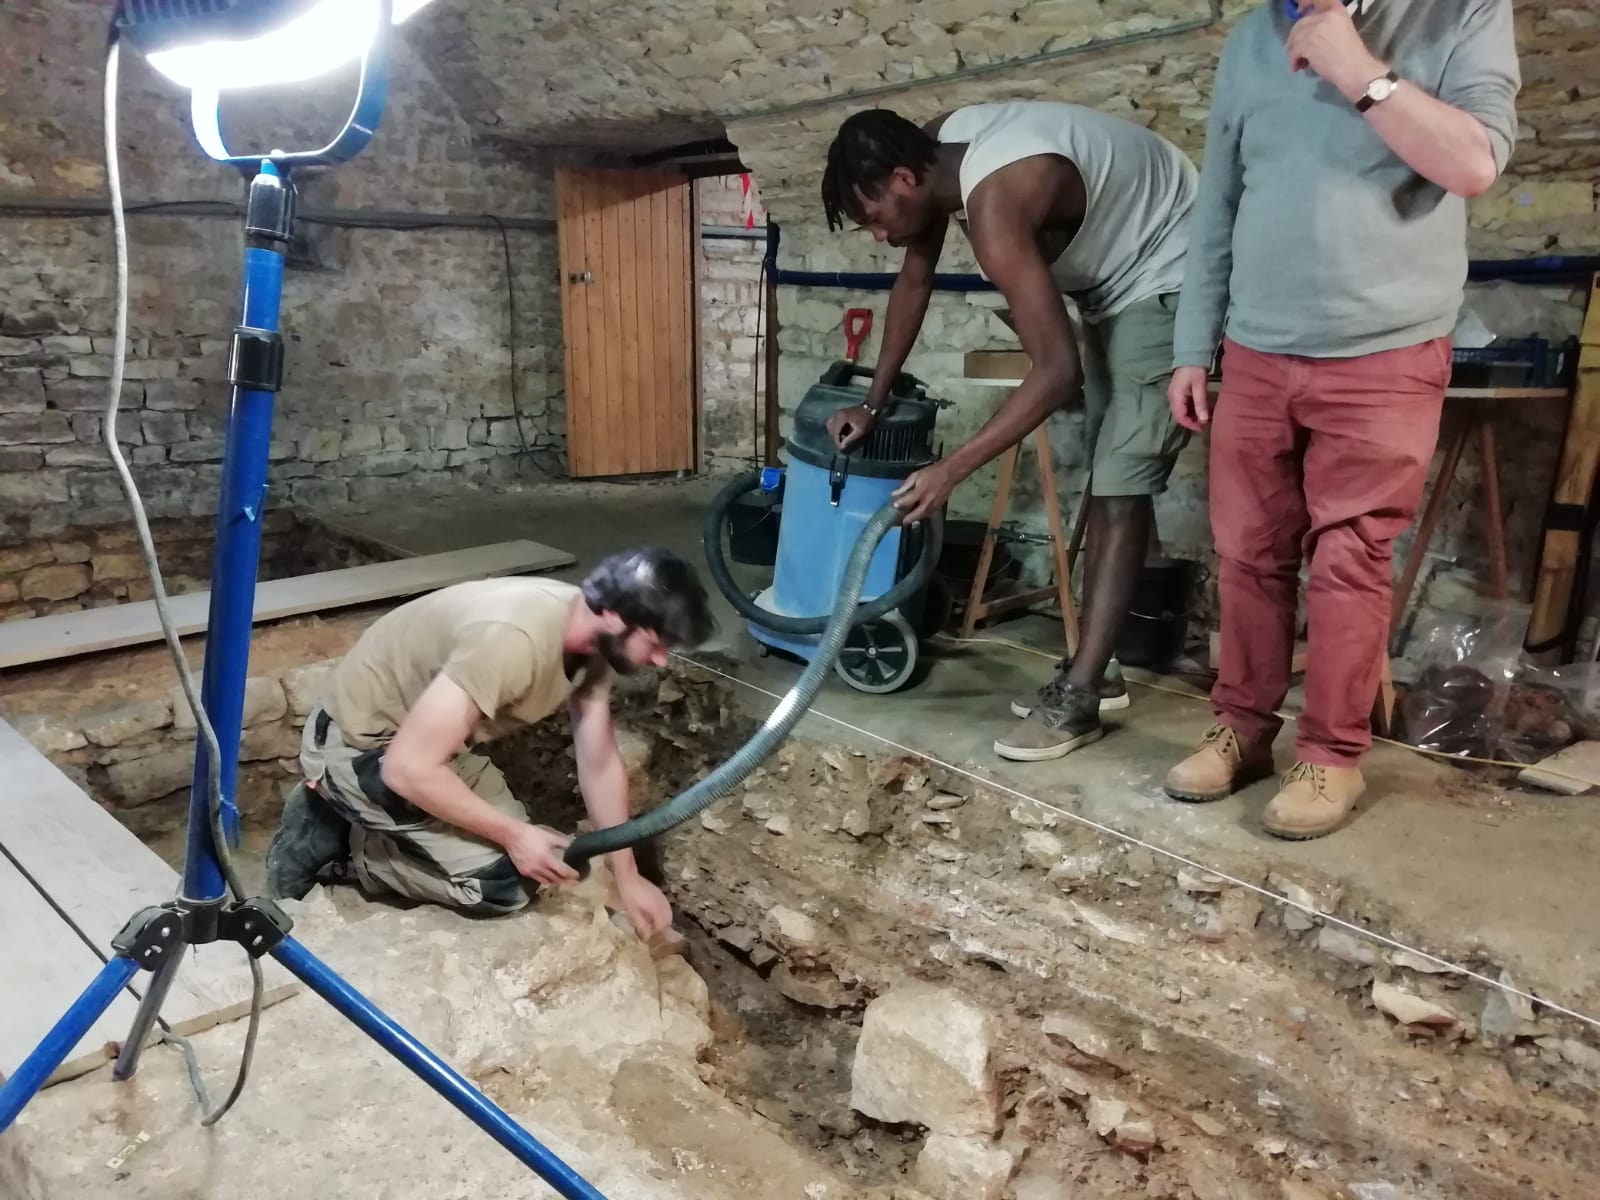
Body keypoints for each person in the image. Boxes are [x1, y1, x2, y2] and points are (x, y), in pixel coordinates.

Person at [1163, 0, 1519, 837]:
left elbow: (1475, 163)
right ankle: (1243, 730)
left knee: (1351, 559)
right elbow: (1220, 199)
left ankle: (1331, 758)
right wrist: (1193, 342)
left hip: (1385, 349)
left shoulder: (1461, 12)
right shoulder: (1253, 37)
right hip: (1257, 344)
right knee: (1247, 551)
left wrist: (1357, 68)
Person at [820, 102, 1198, 763]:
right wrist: (873, 403)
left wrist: (952, 469)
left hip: (1171, 273)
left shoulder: (996, 200)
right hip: (1114, 284)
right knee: (1108, 476)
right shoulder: (938, 143)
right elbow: (916, 275)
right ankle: (1098, 668)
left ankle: (1081, 697)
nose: (879, 235)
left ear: (904, 180)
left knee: (1119, 487)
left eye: (873, 217)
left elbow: (1056, 372)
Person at [265, 548, 717, 936]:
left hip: (433, 747)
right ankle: (341, 839)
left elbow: (598, 761)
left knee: (542, 865)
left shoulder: (591, 637)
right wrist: (514, 836)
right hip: (364, 748)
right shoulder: (512, 640)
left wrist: (628, 877)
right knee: (502, 884)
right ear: (616, 615)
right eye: (657, 644)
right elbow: (406, 768)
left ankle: (367, 821)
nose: (660, 661)